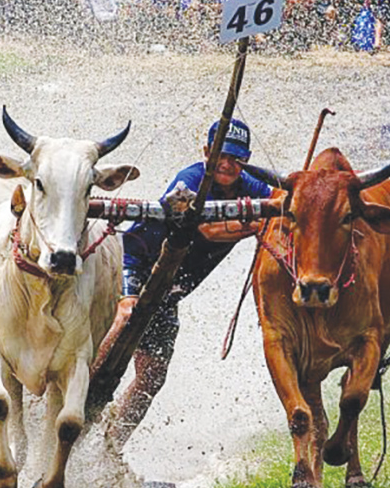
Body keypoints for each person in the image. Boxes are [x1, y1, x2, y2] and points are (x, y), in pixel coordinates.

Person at [101, 119, 272, 450]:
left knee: (153, 376)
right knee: (123, 321)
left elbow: (278, 199)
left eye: (235, 158)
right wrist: (254, 225)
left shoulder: (248, 185)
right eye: (220, 155)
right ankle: (82, 407)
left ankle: (111, 443)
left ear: (246, 160)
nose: (226, 164)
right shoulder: (192, 179)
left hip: (169, 292)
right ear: (207, 152)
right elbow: (206, 229)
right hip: (135, 267)